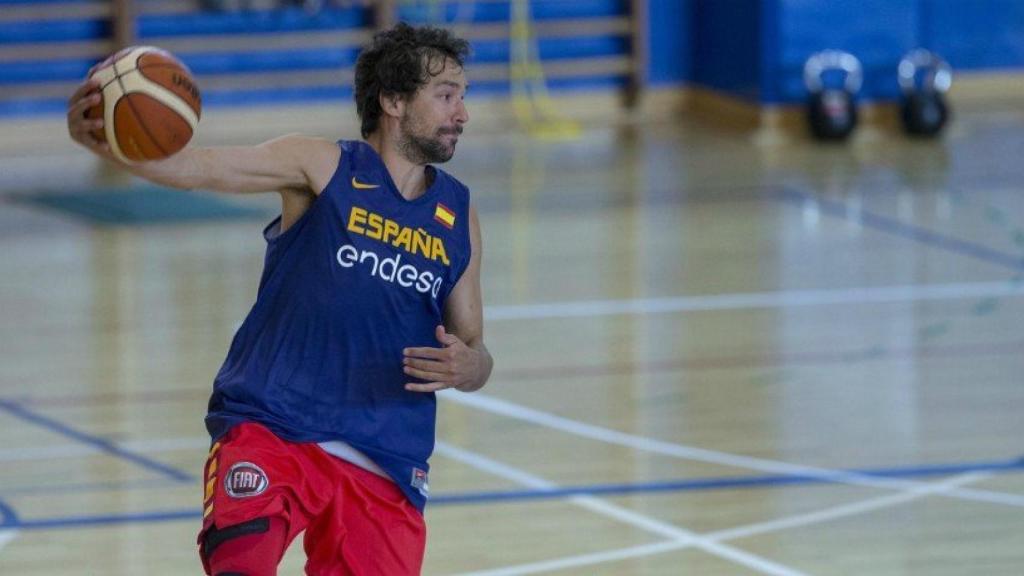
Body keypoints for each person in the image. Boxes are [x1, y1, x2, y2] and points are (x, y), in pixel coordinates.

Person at [66, 23, 492, 576]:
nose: (462, 113)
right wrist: (105, 144)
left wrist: (468, 365)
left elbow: (477, 347)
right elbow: (200, 167)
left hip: (386, 455)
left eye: (463, 96)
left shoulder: (458, 215)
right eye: (446, 95)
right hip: (274, 425)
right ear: (392, 100)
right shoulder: (320, 165)